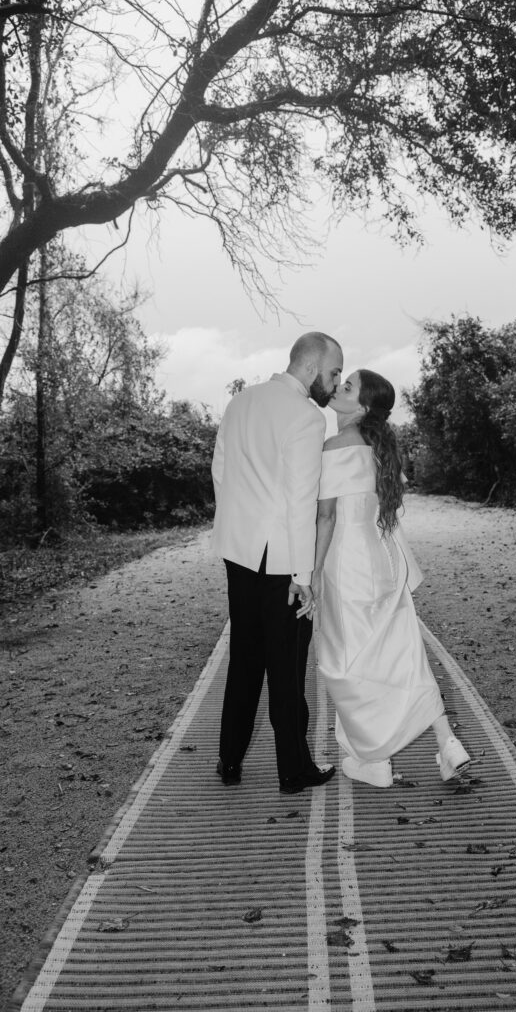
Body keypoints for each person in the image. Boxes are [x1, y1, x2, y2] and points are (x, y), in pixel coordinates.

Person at [312, 369, 470, 788]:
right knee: (402, 654)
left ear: (362, 406)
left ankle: (372, 758)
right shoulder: (380, 448)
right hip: (383, 559)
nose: (338, 389)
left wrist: (310, 573)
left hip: (346, 563)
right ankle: (447, 743)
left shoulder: (333, 447)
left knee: (344, 662)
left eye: (347, 387)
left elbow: (326, 517)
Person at [211, 332, 343, 794]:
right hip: (280, 560)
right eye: (333, 372)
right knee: (286, 664)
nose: (336, 381)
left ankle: (229, 760)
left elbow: (220, 471)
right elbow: (300, 500)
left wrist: (235, 524)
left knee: (245, 655)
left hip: (238, 549)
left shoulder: (241, 401)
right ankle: (293, 769)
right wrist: (303, 578)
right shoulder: (307, 418)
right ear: (310, 368)